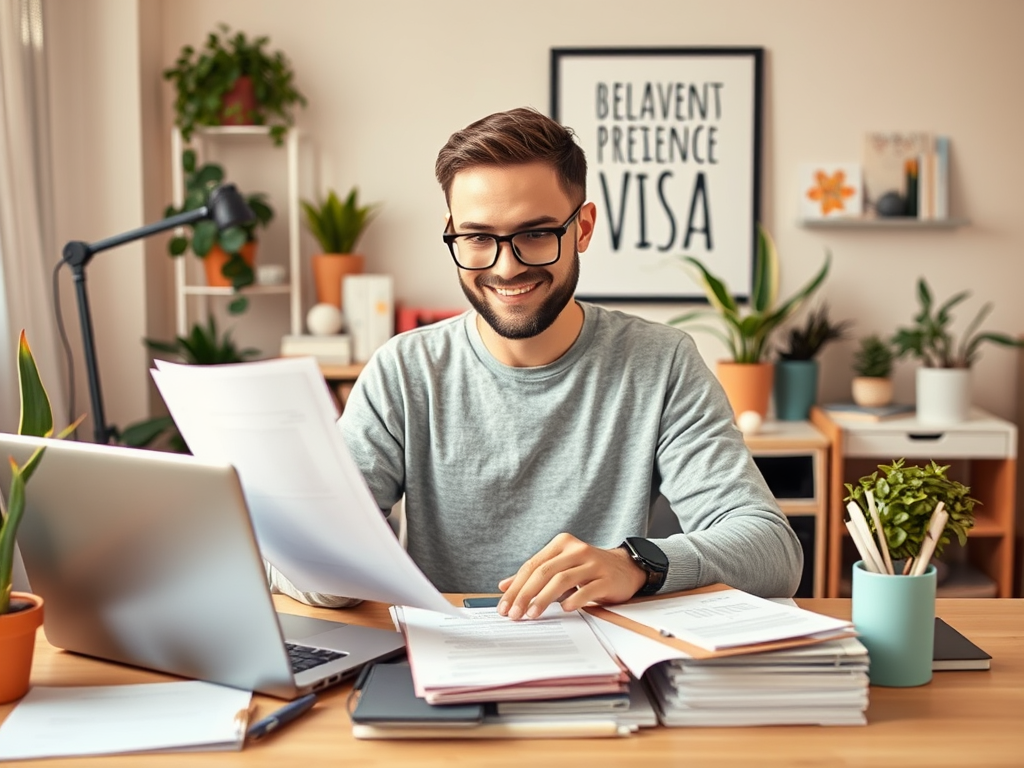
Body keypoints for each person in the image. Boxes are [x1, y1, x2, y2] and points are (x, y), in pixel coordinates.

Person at [269, 107, 802, 619]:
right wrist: (332, 569)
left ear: (583, 228)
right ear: (452, 230)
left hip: (605, 664)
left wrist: (635, 563)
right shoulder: (403, 371)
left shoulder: (661, 364)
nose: (506, 267)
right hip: (446, 663)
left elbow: (773, 550)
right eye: (478, 237)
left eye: (535, 234)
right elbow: (297, 556)